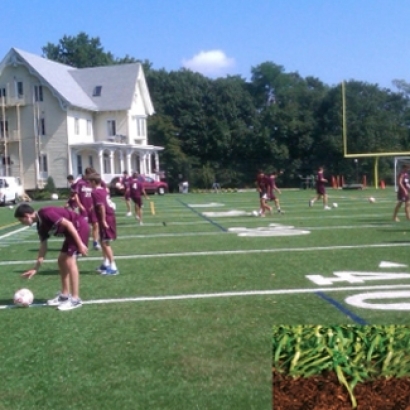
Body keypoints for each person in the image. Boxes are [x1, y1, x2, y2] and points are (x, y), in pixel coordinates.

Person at [14, 203, 89, 311]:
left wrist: (80, 244)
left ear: (27, 215)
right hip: (71, 233)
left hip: (78, 227)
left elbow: (68, 224)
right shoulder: (40, 226)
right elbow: (43, 247)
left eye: (21, 220)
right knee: (61, 260)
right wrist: (36, 268)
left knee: (69, 261)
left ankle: (75, 299)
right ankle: (64, 296)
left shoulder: (45, 213)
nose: (22, 223)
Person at [88, 173, 119, 275]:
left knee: (105, 243)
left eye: (90, 181)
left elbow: (102, 206)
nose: (89, 183)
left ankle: (113, 266)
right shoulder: (102, 190)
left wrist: (103, 220)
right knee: (102, 241)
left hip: (107, 217)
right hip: (109, 216)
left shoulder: (96, 192)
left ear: (93, 182)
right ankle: (106, 263)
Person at [73, 167, 101, 250]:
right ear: (86, 174)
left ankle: (95, 242)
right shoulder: (80, 183)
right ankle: (82, 243)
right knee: (85, 227)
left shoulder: (94, 182)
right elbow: (75, 194)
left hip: (93, 208)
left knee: (96, 224)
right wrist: (80, 205)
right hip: (84, 208)